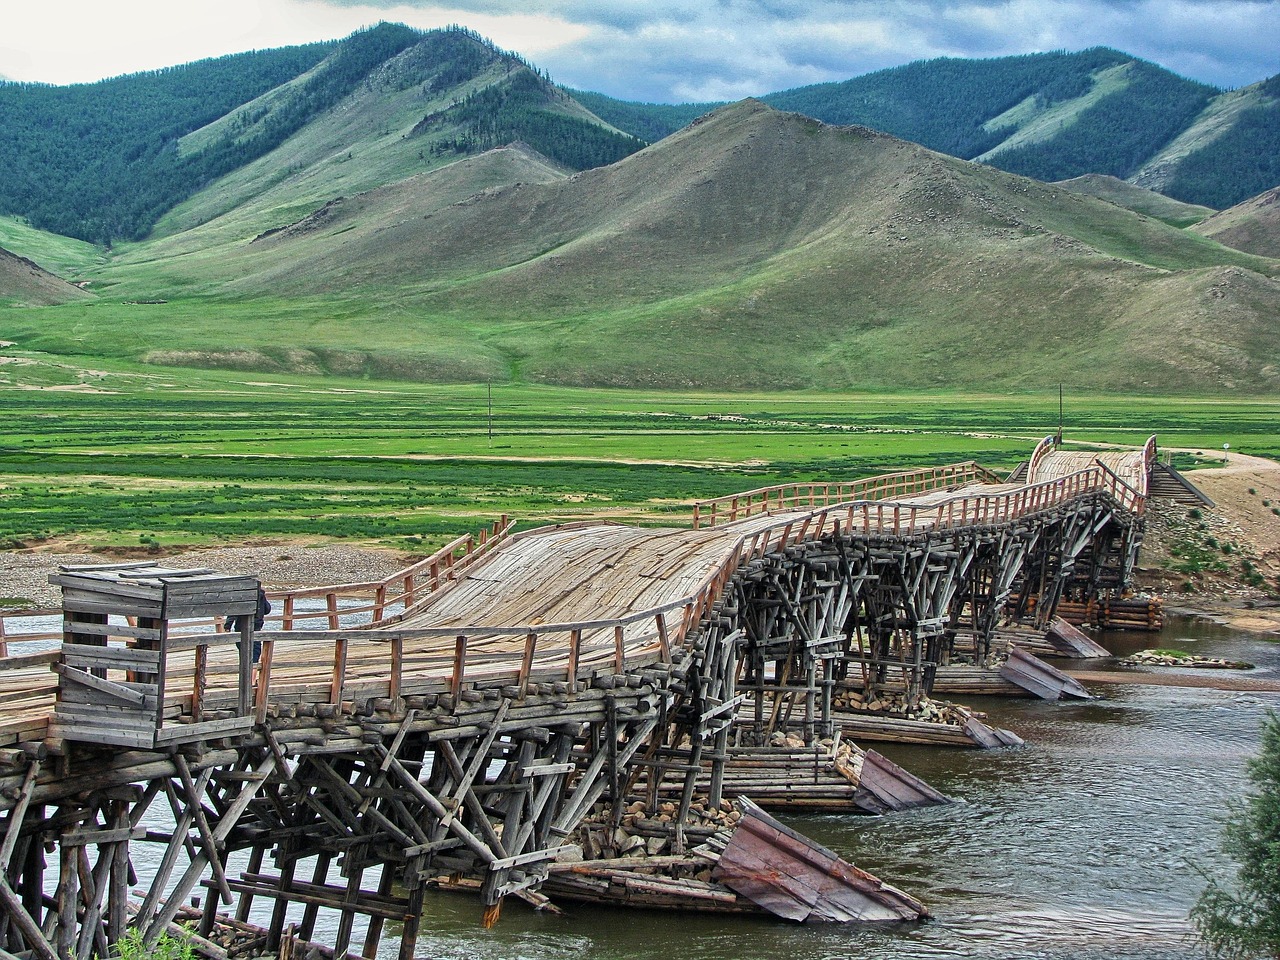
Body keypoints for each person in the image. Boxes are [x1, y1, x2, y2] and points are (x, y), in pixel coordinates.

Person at [224, 587, 271, 663]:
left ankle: (245, 672)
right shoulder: (261, 594)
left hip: (241, 627)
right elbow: (267, 610)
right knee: (255, 656)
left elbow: (233, 612)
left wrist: (227, 626)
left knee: (243, 653)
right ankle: (252, 674)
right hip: (256, 627)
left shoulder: (240, 595)